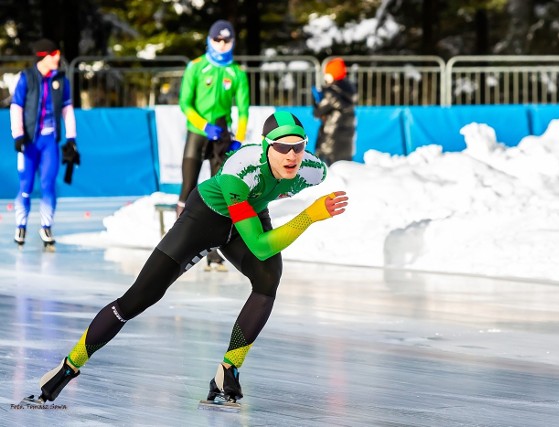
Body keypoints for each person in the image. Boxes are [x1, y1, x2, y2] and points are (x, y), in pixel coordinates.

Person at [31, 111, 348, 405]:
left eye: (298, 146)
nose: (292, 155)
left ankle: (228, 371)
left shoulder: (311, 169)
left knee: (268, 281)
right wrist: (310, 215)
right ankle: (67, 367)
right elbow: (262, 246)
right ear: (266, 147)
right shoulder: (242, 170)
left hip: (250, 213)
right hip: (206, 217)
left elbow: (266, 232)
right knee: (140, 297)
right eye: (282, 147)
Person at [177, 19, 250, 272]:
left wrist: (238, 138)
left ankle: (216, 253)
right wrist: (202, 124)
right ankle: (178, 244)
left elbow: (243, 110)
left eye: (226, 40)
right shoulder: (196, 67)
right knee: (188, 187)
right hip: (198, 132)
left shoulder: (237, 73)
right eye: (217, 39)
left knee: (219, 192)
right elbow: (185, 103)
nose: (221, 44)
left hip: (222, 135)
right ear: (209, 39)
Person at [10, 38, 80, 251]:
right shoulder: (26, 78)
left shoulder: (61, 80)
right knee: (27, 185)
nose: (58, 58)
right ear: (44, 56)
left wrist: (71, 139)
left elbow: (67, 110)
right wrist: (18, 135)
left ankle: (46, 226)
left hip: (49, 141)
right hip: (30, 141)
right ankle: (21, 225)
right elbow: (16, 107)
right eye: (54, 54)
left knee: (49, 184)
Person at [312, 57, 357, 166]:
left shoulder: (330, 93)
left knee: (324, 170)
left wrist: (317, 100)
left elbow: (318, 112)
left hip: (330, 140)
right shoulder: (349, 91)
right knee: (344, 168)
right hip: (346, 142)